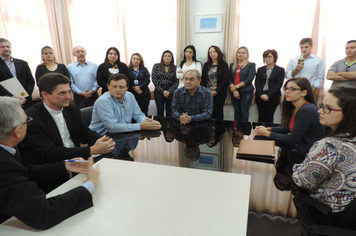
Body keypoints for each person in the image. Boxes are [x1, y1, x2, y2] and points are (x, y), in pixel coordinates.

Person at [0, 96, 100, 230]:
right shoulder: (4, 164)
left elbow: (23, 172)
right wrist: (90, 184)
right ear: (17, 132)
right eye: (27, 121)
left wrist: (64, 166)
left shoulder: (6, 146)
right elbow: (43, 214)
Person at [20, 73, 115, 165]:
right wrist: (91, 150)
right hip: (52, 167)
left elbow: (85, 132)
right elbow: (49, 153)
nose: (68, 97)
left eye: (69, 92)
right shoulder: (30, 118)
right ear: (45, 95)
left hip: (78, 159)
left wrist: (103, 141)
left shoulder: (71, 109)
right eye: (62, 93)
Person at [292, 86, 356, 222]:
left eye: (328, 108)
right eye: (321, 105)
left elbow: (303, 181)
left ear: (350, 113)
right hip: (348, 217)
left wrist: (297, 168)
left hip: (326, 214)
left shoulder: (330, 146)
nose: (320, 111)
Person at [255, 77, 325, 169]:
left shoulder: (306, 110)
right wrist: (267, 129)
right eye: (286, 89)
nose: (287, 92)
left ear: (304, 92)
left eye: (292, 89)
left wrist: (267, 133)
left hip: (306, 153)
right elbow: (289, 128)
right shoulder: (296, 107)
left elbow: (293, 138)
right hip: (299, 147)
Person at [89, 73, 161, 135]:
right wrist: (141, 126)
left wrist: (148, 122)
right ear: (108, 86)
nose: (117, 90)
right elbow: (113, 127)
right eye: (114, 86)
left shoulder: (130, 96)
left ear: (127, 87)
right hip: (100, 138)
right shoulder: (103, 101)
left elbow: (138, 115)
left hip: (122, 135)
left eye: (121, 87)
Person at [285, 38, 325, 102]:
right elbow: (287, 75)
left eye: (306, 47)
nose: (303, 50)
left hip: (309, 89)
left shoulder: (318, 60)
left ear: (311, 47)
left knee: (308, 109)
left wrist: (313, 90)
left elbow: (320, 77)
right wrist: (296, 70)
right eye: (301, 47)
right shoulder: (293, 60)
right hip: (294, 90)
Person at [0, 38, 35, 109]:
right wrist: (11, 96)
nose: (6, 48)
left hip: (26, 101)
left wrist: (25, 96)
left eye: (8, 46)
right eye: (2, 47)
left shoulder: (23, 63)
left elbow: (31, 81)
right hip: (7, 102)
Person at [254, 49, 285, 123]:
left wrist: (268, 95)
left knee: (269, 115)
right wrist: (261, 94)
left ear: (275, 57)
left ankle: (268, 133)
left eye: (269, 57)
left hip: (273, 96)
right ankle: (259, 132)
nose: (267, 59)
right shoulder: (260, 69)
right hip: (260, 95)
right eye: (265, 57)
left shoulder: (280, 70)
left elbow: (279, 84)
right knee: (261, 115)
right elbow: (257, 83)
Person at [201, 45, 229, 120]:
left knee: (218, 111)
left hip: (220, 92)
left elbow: (225, 80)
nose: (212, 53)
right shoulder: (206, 65)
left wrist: (216, 91)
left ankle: (219, 130)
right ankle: (209, 130)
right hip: (208, 93)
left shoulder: (223, 64)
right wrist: (206, 91)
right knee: (209, 112)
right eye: (210, 52)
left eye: (214, 51)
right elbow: (203, 79)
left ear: (218, 53)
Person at [229, 46, 256, 121]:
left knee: (244, 111)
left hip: (246, 91)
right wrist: (234, 90)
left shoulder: (251, 65)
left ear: (247, 55)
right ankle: (236, 131)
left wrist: (236, 87)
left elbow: (249, 79)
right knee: (237, 110)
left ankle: (244, 131)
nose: (240, 54)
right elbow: (229, 78)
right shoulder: (232, 65)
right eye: (239, 53)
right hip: (234, 92)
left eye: (243, 53)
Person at [151, 50, 178, 116]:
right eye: (165, 56)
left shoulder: (175, 67)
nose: (167, 57)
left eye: (169, 56)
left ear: (172, 58)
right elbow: (154, 79)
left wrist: (169, 91)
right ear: (162, 57)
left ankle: (169, 126)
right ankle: (160, 126)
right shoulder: (156, 66)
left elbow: (177, 81)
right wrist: (162, 91)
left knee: (170, 111)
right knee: (160, 110)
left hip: (171, 91)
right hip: (159, 90)